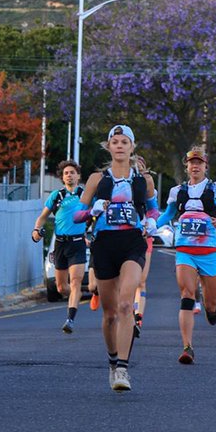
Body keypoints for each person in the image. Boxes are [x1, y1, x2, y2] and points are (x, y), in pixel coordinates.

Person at [75, 124, 158, 391]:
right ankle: (112, 361)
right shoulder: (97, 180)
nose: (120, 145)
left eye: (125, 141)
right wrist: (92, 211)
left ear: (132, 147)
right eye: (115, 141)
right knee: (110, 313)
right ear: (109, 146)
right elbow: (76, 215)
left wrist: (153, 223)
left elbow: (154, 211)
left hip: (133, 242)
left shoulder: (143, 181)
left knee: (125, 304)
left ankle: (123, 369)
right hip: (105, 245)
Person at [154, 146, 216, 364]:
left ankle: (211, 308)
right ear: (186, 166)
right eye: (191, 162)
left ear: (205, 166)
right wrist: (147, 226)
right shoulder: (177, 191)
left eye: (199, 162)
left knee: (211, 303)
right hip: (185, 250)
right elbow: (167, 215)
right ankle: (187, 347)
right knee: (186, 294)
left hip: (210, 251)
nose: (195, 166)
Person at [31, 159, 86, 333]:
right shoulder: (57, 195)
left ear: (78, 176)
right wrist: (36, 231)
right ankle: (75, 299)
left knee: (76, 281)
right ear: (62, 178)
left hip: (78, 243)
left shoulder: (84, 196)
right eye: (66, 173)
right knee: (62, 287)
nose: (69, 175)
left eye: (72, 172)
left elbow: (96, 215)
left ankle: (70, 319)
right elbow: (42, 217)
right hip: (61, 244)